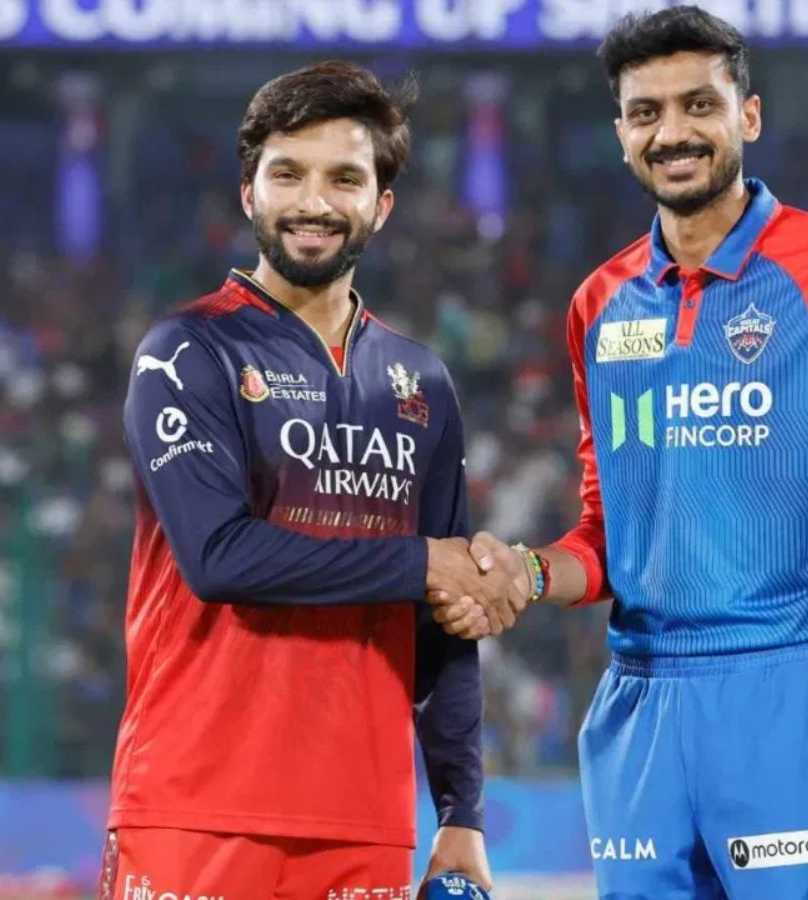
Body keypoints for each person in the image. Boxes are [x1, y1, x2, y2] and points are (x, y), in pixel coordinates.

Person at [444, 8, 808, 898]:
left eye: (699, 105)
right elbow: (612, 535)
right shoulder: (599, 304)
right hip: (639, 710)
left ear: (748, 116)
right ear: (621, 135)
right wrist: (525, 575)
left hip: (793, 695)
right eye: (645, 113)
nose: (672, 132)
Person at [102, 61, 512, 900]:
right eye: (287, 174)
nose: (313, 202)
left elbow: (444, 621)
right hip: (195, 807)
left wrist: (461, 812)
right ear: (248, 193)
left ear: (381, 205)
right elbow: (219, 558)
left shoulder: (422, 383)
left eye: (344, 179)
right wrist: (421, 563)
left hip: (366, 822)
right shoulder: (187, 352)